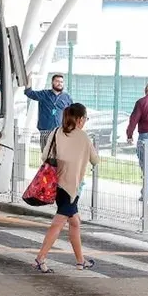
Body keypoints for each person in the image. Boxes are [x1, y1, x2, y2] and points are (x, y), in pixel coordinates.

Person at [33, 103, 99, 273]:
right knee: (59, 222)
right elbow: (95, 160)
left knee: (75, 222)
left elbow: (44, 156)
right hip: (72, 188)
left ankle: (80, 261)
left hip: (56, 184)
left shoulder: (56, 132)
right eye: (84, 118)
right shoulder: (84, 137)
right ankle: (41, 258)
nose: (84, 121)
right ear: (79, 119)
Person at [24, 74, 73, 151]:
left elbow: (71, 113)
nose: (59, 83)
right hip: (45, 131)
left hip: (60, 132)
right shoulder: (44, 94)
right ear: (52, 82)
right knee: (45, 154)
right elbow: (28, 92)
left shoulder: (67, 97)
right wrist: (29, 78)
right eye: (57, 81)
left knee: (60, 154)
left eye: (61, 82)